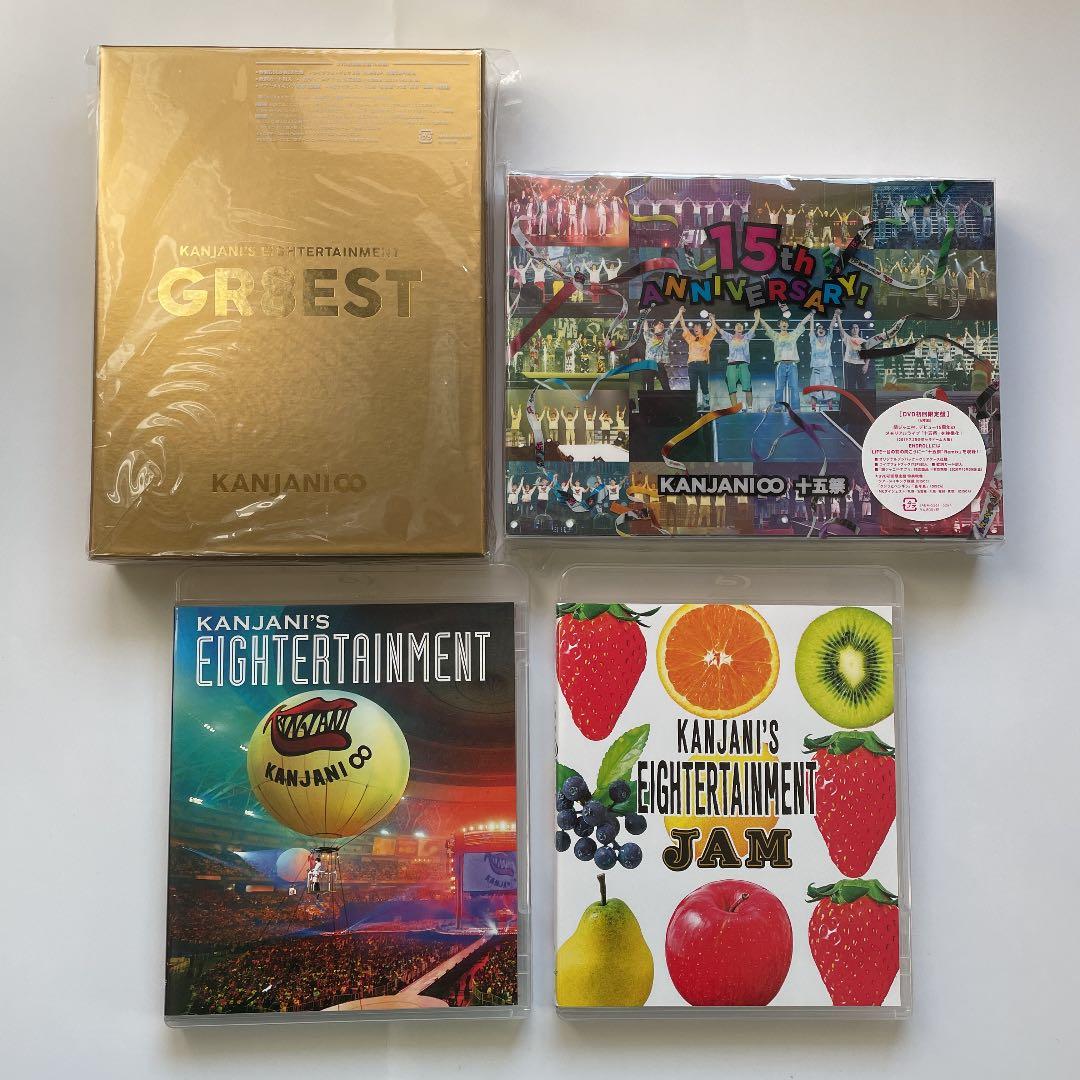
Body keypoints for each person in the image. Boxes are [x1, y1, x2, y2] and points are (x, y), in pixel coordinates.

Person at [673, 306, 718, 412]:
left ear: (702, 329)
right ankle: (695, 404)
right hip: (692, 365)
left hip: (703, 365)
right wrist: (680, 314)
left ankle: (706, 404)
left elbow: (713, 328)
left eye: (698, 326)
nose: (695, 328)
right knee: (693, 387)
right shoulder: (691, 338)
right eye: (694, 327)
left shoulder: (706, 339)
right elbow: (683, 326)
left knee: (704, 386)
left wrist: (712, 319)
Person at [762, 313, 811, 406]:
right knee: (779, 387)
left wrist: (810, 314)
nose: (784, 323)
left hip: (792, 365)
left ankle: (796, 408)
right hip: (781, 365)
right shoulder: (775, 335)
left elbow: (801, 324)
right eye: (782, 322)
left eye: (785, 322)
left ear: (788, 325)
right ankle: (778, 407)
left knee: (794, 387)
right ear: (779, 325)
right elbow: (767, 327)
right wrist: (759, 318)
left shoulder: (793, 335)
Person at [718, 311, 760, 410]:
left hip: (744, 365)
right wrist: (713, 321)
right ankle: (735, 409)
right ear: (734, 329)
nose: (739, 326)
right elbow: (720, 330)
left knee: (748, 388)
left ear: (743, 329)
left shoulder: (746, 337)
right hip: (731, 366)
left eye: (741, 326)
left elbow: (754, 327)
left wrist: (757, 318)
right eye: (737, 325)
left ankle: (750, 409)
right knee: (732, 389)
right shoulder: (730, 337)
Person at [808, 311, 840, 408]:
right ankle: (813, 408)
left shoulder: (828, 339)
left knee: (828, 388)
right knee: (814, 388)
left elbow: (831, 327)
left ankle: (830, 408)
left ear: (825, 331)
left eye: (822, 328)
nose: (821, 329)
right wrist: (812, 316)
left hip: (826, 368)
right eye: (819, 328)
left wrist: (835, 316)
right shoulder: (813, 339)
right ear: (817, 331)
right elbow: (811, 329)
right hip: (816, 368)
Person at [642, 316, 674, 391]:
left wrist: (680, 313)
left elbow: (673, 324)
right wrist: (643, 312)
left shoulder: (665, 336)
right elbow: (645, 323)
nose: (661, 325)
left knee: (666, 387)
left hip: (660, 365)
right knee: (650, 388)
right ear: (654, 325)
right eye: (659, 323)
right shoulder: (649, 335)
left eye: (662, 324)